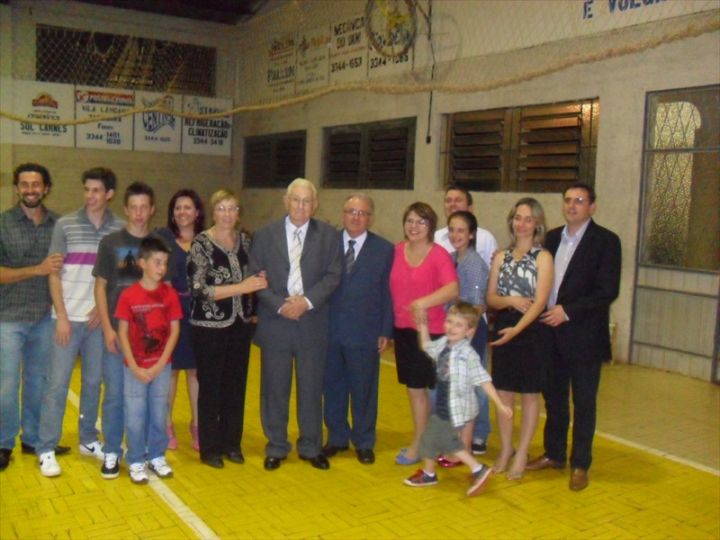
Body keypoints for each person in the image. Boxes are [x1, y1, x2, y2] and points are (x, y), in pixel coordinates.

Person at [527, 183, 621, 491]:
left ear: (592, 207)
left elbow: (607, 291)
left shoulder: (606, 242)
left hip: (584, 336)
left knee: (583, 402)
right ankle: (554, 454)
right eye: (567, 200)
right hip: (550, 334)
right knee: (553, 399)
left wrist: (567, 311)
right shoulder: (551, 238)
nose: (572, 205)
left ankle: (580, 463)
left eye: (579, 201)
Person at [36, 167, 124, 478]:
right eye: (87, 190)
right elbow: (53, 273)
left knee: (92, 383)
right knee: (57, 384)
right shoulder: (65, 225)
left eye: (96, 190)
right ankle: (46, 447)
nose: (90, 196)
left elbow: (121, 280)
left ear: (109, 194)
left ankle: (87, 438)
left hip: (98, 323)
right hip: (66, 320)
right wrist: (61, 316)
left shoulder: (120, 230)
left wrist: (103, 311)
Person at [248, 178, 342, 471]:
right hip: (276, 322)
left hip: (312, 322)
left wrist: (307, 302)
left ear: (315, 205)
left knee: (311, 387)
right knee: (274, 387)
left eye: (307, 201)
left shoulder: (328, 236)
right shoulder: (264, 236)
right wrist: (279, 304)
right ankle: (276, 445)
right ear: (286, 202)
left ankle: (311, 446)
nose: (301, 206)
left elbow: (333, 275)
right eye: (296, 200)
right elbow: (255, 278)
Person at [187, 189, 266, 469]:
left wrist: (256, 293)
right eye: (221, 208)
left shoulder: (245, 241)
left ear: (238, 213)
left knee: (235, 386)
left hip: (240, 325)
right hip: (209, 326)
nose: (227, 214)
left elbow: (257, 274)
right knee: (211, 387)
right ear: (213, 211)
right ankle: (209, 448)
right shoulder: (201, 244)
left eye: (232, 208)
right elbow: (198, 290)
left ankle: (232, 443)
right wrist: (241, 288)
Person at [404, 302, 512, 496]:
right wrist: (423, 327)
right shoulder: (444, 344)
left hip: (456, 409)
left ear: (469, 331)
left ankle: (478, 469)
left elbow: (484, 380)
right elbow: (427, 346)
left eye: (458, 325)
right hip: (443, 405)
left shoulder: (468, 355)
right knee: (430, 438)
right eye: (449, 322)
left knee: (446, 440)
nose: (451, 327)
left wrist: (500, 404)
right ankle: (429, 473)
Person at [94, 181, 161, 479]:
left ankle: (145, 450)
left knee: (147, 398)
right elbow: (101, 287)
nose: (138, 213)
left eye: (144, 207)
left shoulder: (160, 244)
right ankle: (111, 451)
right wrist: (108, 329)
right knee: (115, 396)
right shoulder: (110, 243)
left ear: (152, 209)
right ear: (125, 209)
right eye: (133, 207)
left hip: (148, 340)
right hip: (116, 336)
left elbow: (166, 290)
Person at [0, 163, 64, 471]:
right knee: (6, 385)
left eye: (35, 184)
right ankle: (4, 442)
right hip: (8, 318)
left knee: (38, 383)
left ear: (46, 187)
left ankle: (33, 438)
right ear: (16, 188)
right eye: (24, 184)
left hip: (44, 318)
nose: (30, 190)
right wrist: (35, 270)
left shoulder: (59, 225)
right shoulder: (2, 224)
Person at [322, 194, 393, 465]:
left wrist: (385, 330)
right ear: (343, 214)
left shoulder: (384, 250)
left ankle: (364, 441)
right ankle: (337, 436)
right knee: (333, 386)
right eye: (351, 211)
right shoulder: (327, 244)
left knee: (364, 389)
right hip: (330, 330)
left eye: (362, 213)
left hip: (365, 332)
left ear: (370, 218)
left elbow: (389, 293)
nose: (355, 217)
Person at [486, 197, 554, 481]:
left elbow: (540, 302)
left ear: (537, 223)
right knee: (503, 394)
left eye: (528, 218)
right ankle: (506, 449)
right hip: (504, 327)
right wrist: (510, 300)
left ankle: (523, 451)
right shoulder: (501, 256)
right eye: (518, 218)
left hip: (532, 332)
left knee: (529, 395)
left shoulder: (543, 258)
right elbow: (490, 297)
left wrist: (518, 329)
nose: (522, 224)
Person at [390, 202, 458, 466]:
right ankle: (424, 441)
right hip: (403, 330)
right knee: (414, 389)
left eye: (421, 222)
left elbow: (452, 289)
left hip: (431, 332)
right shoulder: (396, 251)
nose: (414, 227)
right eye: (410, 221)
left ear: (431, 226)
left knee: (434, 392)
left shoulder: (439, 254)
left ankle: (430, 445)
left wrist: (423, 302)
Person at [434, 184, 497, 455]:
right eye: (452, 230)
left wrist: (464, 337)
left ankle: (470, 441)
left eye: (461, 230)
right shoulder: (451, 258)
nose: (456, 235)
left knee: (471, 386)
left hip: (470, 333)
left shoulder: (473, 263)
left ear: (471, 234)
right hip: (455, 332)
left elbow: (475, 307)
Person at [115, 237, 182, 484]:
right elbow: (122, 332)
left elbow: (174, 331)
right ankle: (135, 459)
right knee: (134, 415)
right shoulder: (128, 295)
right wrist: (133, 366)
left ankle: (156, 455)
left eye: (164, 263)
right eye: (157, 262)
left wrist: (160, 364)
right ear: (142, 263)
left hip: (161, 367)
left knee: (158, 413)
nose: (161, 268)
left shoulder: (170, 294)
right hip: (134, 368)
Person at [158, 189, 205, 452]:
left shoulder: (207, 241)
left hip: (200, 315)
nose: (182, 212)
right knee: (171, 371)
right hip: (171, 313)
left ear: (197, 212)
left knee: (196, 371)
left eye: (188, 207)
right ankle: (166, 424)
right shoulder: (163, 238)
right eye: (177, 208)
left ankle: (197, 424)